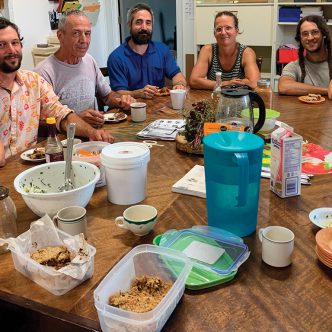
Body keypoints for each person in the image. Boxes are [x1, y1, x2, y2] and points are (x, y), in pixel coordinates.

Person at [0, 17, 114, 164]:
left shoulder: (34, 82)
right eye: (1, 45)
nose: (11, 50)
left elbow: (62, 115)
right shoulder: (44, 71)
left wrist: (92, 132)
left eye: (15, 43)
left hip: (30, 167)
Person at [35, 10, 135, 128]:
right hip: (65, 141)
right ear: (60, 36)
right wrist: (74, 120)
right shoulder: (43, 72)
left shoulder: (89, 60)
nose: (84, 40)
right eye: (76, 33)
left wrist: (121, 100)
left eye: (87, 33)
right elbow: (36, 125)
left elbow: (107, 96)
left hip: (93, 133)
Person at [107, 3, 186, 99]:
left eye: (148, 23)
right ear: (129, 25)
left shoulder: (163, 50)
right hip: (130, 109)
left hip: (158, 108)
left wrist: (179, 84)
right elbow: (117, 94)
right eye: (139, 22)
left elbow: (177, 75)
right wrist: (138, 93)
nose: (144, 27)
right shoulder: (116, 57)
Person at [189, 11, 260, 90]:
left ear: (236, 31)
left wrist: (213, 84)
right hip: (214, 99)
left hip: (239, 100)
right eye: (219, 29)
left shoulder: (246, 52)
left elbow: (254, 83)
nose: (223, 32)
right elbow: (194, 81)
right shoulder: (207, 50)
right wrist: (224, 84)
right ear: (214, 33)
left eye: (228, 28)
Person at [278, 15, 332, 97]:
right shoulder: (294, 66)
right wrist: (327, 90)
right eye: (305, 34)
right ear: (300, 38)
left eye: (315, 32)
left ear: (323, 34)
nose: (310, 38)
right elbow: (283, 87)